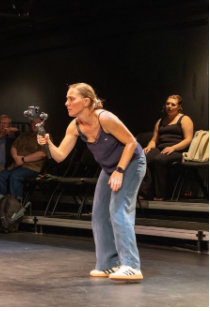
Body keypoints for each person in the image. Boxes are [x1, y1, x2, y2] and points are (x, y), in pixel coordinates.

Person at [37, 83, 147, 281]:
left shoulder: (104, 118)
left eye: (71, 99)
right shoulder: (75, 125)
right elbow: (60, 156)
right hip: (109, 169)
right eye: (66, 99)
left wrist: (120, 171)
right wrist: (48, 141)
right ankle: (108, 265)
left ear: (86, 101)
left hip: (131, 163)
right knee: (98, 214)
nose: (66, 103)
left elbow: (131, 142)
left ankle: (131, 265)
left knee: (118, 210)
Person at [141, 95, 194, 200]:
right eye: (167, 104)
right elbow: (154, 140)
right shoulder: (161, 121)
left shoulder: (184, 119)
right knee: (142, 159)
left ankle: (160, 194)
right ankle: (145, 192)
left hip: (177, 150)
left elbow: (188, 140)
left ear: (179, 107)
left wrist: (173, 148)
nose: (169, 106)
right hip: (161, 148)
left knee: (159, 159)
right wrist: (149, 147)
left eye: (173, 104)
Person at [0, 116, 46, 202]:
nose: (35, 125)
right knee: (1, 176)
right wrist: (16, 158)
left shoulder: (44, 136)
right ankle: (1, 204)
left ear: (43, 124)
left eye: (38, 123)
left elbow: (42, 153)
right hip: (16, 165)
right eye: (33, 123)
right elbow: (14, 147)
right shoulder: (24, 135)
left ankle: (16, 205)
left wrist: (23, 160)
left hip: (33, 167)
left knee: (15, 175)